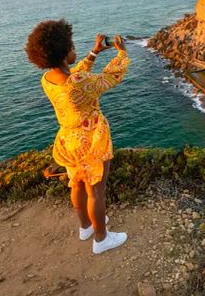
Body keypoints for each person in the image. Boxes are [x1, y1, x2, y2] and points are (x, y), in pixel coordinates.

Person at [25, 19, 130, 255]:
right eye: (71, 47)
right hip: (92, 140)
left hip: (68, 141)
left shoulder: (48, 79)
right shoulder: (77, 83)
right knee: (96, 191)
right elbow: (110, 78)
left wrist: (93, 53)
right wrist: (122, 53)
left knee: (77, 184)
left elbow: (74, 75)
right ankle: (102, 239)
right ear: (63, 53)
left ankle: (85, 227)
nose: (75, 50)